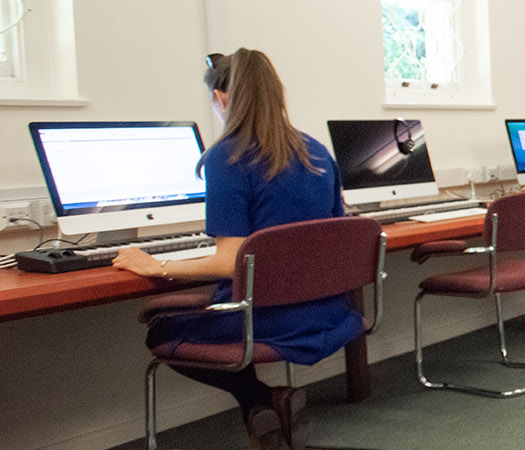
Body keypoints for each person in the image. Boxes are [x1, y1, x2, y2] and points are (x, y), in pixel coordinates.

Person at [112, 48, 362, 450]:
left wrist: (158, 265)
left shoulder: (228, 156)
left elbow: (230, 261)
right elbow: (336, 236)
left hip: (265, 321)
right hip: (330, 312)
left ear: (222, 97)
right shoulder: (316, 150)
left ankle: (260, 399)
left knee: (162, 329)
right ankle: (265, 403)